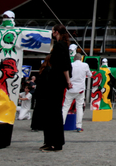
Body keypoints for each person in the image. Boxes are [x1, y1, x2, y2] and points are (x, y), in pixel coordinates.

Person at [40, 24, 72, 152]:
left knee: (53, 111)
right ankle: (50, 141)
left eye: (53, 31)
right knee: (52, 111)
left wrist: (68, 80)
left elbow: (64, 65)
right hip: (57, 80)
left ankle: (55, 142)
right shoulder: (62, 45)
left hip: (56, 81)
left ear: (56, 32)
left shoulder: (60, 46)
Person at [61, 53, 91, 132]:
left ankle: (61, 124)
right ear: (81, 58)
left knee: (65, 107)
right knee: (79, 107)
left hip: (71, 88)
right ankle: (78, 125)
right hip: (80, 89)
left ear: (74, 59)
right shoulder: (85, 65)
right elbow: (90, 74)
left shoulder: (71, 65)